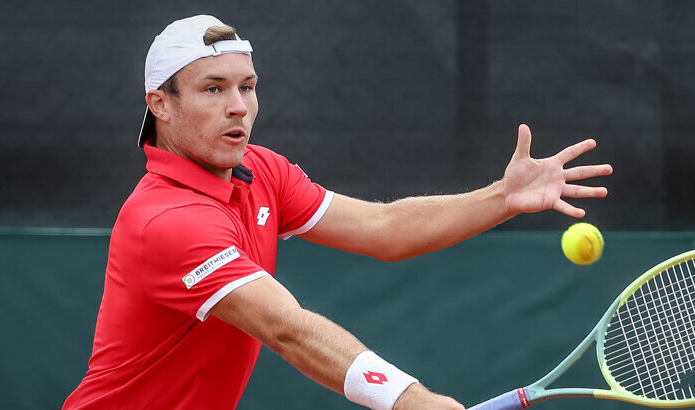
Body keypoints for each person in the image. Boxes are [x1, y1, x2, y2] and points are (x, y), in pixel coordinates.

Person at [63, 14, 613, 410]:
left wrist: (501, 197)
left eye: (247, 87)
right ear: (160, 104)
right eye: (213, 89)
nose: (239, 106)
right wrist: (414, 402)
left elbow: (383, 228)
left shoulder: (262, 170)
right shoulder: (165, 222)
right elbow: (287, 328)